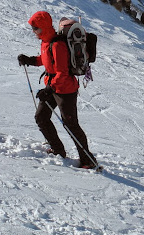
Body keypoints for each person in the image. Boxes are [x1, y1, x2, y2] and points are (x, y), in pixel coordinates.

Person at [18, 11, 97, 169]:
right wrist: (30, 60)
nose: (33, 31)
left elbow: (62, 72)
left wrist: (49, 89)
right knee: (41, 117)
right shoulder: (46, 42)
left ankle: (88, 160)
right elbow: (46, 60)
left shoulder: (58, 44)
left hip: (66, 89)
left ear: (44, 27)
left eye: (35, 28)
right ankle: (58, 150)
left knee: (70, 124)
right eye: (33, 28)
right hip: (53, 86)